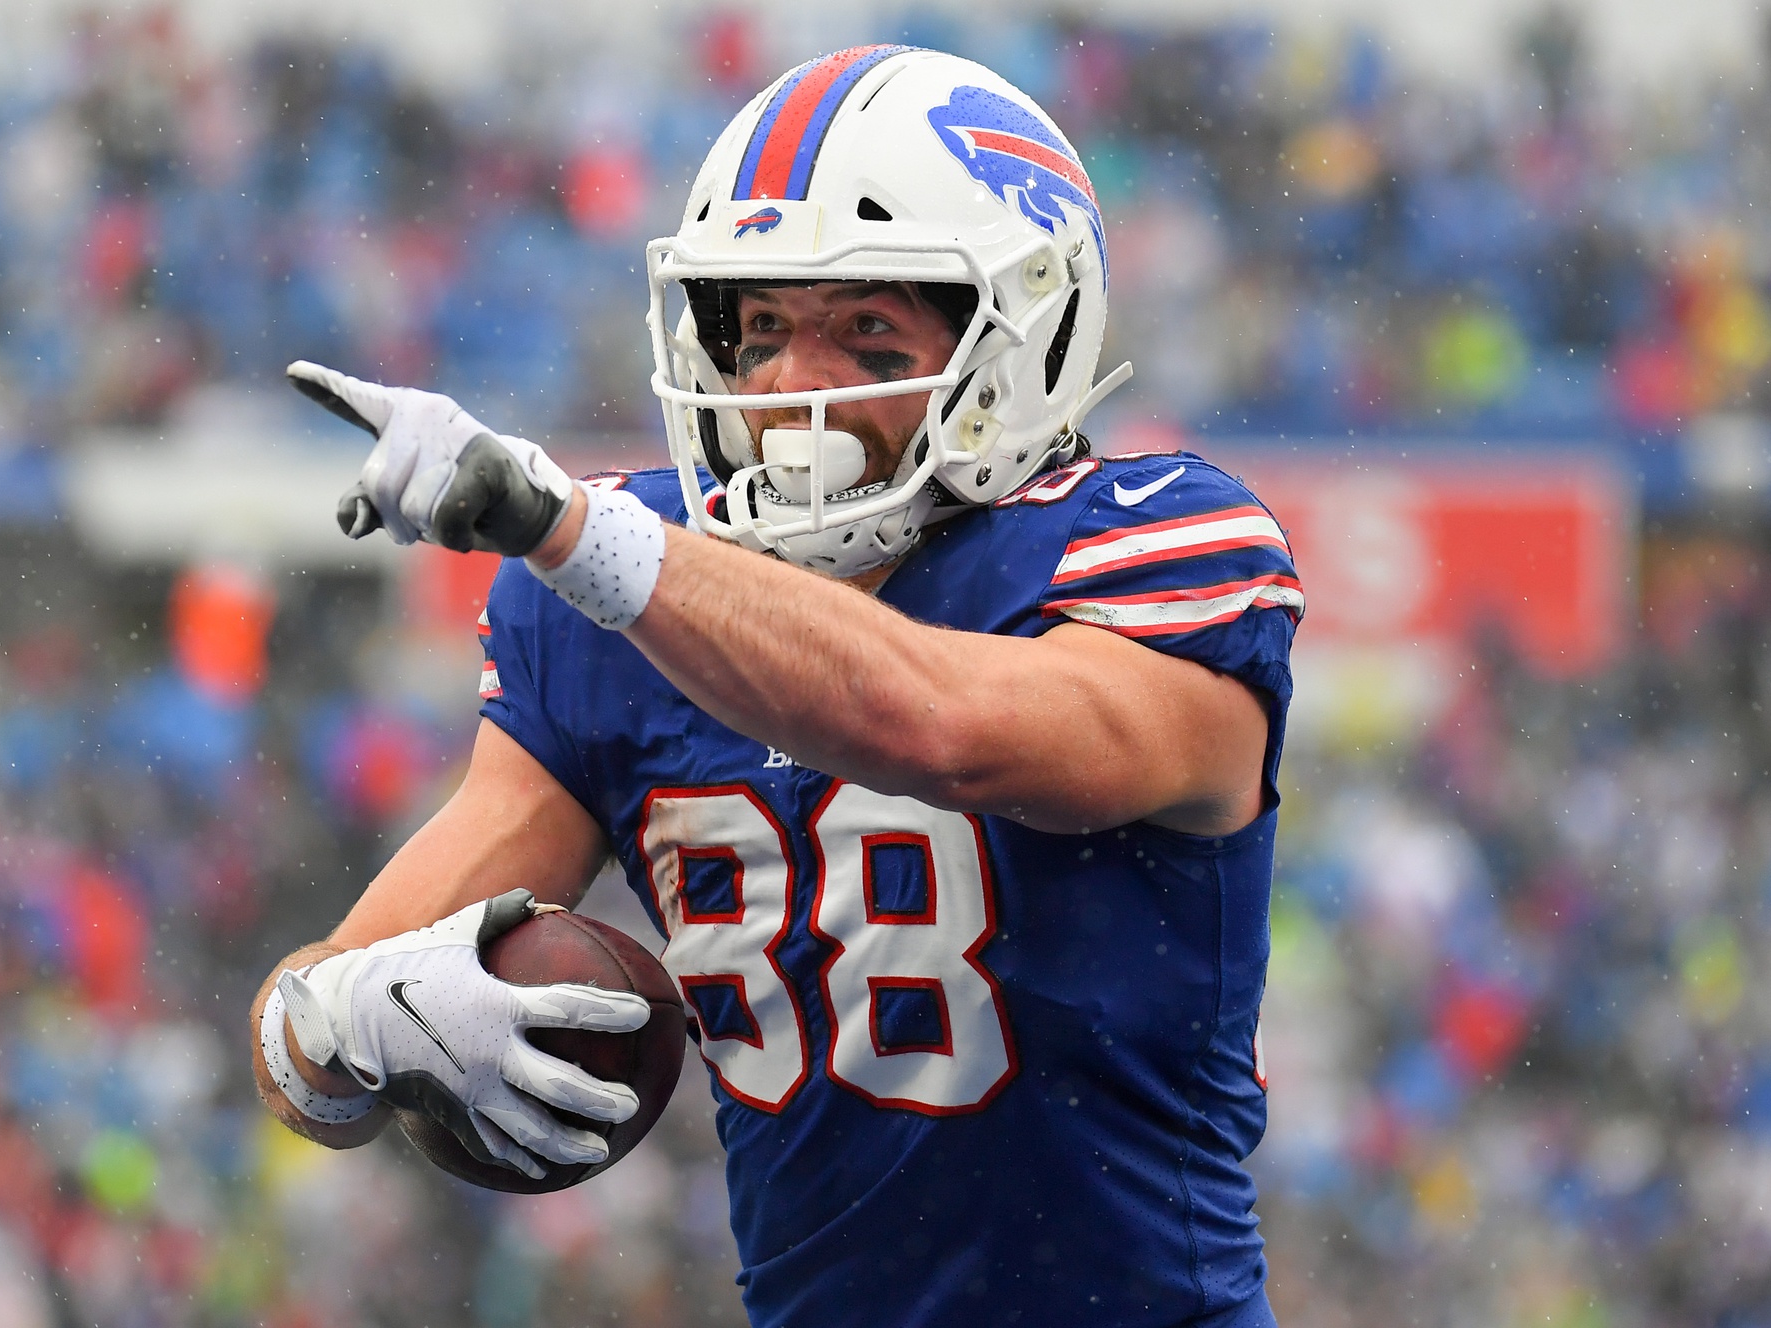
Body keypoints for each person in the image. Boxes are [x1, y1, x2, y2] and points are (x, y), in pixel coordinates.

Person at [251, 45, 1300, 1328]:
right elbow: (305, 1057)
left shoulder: (1151, 545)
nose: (791, 385)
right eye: (759, 332)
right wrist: (356, 1015)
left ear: (1020, 338)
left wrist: (575, 533)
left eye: (866, 331)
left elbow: (943, 724)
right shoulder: (607, 597)